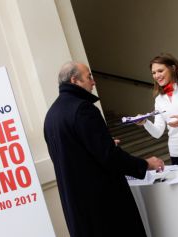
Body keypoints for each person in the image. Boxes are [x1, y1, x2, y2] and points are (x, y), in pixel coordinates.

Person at [44, 61, 164, 237]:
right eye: (89, 77)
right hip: (103, 205)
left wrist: (103, 145)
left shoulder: (51, 115)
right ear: (74, 80)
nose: (93, 81)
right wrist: (145, 164)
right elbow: (108, 157)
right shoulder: (83, 109)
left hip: (77, 206)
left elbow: (70, 155)